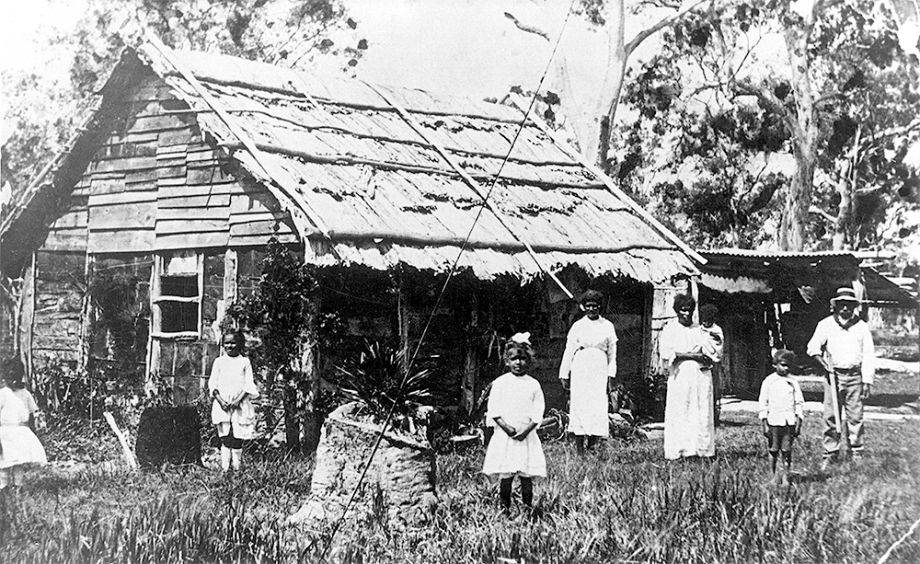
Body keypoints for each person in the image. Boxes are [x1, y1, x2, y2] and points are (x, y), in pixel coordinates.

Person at [807, 287, 875, 467]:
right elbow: (812, 347)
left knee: (855, 415)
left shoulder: (861, 327)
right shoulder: (826, 324)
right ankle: (830, 452)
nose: (845, 309)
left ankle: (856, 451)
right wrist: (823, 364)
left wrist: (867, 381)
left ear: (854, 307)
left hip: (855, 377)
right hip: (833, 376)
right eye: (842, 305)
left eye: (849, 305)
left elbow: (869, 355)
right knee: (831, 415)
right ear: (836, 306)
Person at [482, 334, 546, 514]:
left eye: (522, 358)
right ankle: (505, 509)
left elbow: (538, 410)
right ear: (507, 361)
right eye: (514, 359)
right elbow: (493, 409)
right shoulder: (501, 383)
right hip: (506, 436)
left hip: (526, 436)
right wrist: (506, 428)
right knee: (506, 475)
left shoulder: (533, 385)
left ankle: (527, 509)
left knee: (526, 475)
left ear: (529, 360)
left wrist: (527, 430)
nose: (518, 362)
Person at [558, 290, 618, 454]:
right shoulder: (578, 326)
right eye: (589, 306)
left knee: (597, 405)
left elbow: (612, 354)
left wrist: (611, 375)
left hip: (599, 367)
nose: (592, 309)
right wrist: (564, 372)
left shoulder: (607, 326)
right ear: (584, 307)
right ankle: (579, 449)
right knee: (580, 404)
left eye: (595, 306)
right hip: (581, 368)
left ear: (600, 307)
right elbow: (569, 350)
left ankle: (592, 445)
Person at [661, 293, 719, 460]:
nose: (686, 314)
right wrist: (692, 355)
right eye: (682, 310)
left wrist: (687, 355)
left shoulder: (700, 330)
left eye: (689, 310)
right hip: (680, 375)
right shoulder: (670, 329)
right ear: (677, 311)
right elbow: (668, 353)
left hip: (700, 376)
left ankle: (701, 450)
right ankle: (679, 450)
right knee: (680, 410)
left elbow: (710, 355)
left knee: (701, 411)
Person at [209, 331, 259, 472]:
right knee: (225, 436)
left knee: (237, 437)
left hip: (239, 405)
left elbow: (249, 384)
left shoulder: (244, 362)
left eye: (233, 343)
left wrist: (238, 400)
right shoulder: (219, 362)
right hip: (222, 405)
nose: (230, 346)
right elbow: (213, 383)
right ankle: (225, 469)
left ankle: (237, 468)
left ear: (240, 345)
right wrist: (220, 400)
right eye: (227, 343)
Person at [758, 349, 804, 485]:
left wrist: (798, 421)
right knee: (773, 450)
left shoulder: (793, 382)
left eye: (788, 365)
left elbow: (799, 402)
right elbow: (763, 402)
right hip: (774, 421)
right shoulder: (769, 381)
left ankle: (785, 477)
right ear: (775, 365)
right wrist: (764, 423)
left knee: (786, 450)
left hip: (788, 422)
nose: (786, 368)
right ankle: (772, 477)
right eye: (783, 365)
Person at [0, 357, 47, 489]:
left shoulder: (25, 394)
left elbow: (34, 410)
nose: (13, 382)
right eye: (10, 378)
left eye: (16, 378)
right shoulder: (3, 394)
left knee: (18, 461)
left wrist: (38, 419)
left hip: (21, 432)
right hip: (5, 432)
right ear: (4, 378)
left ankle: (18, 487)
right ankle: (3, 487)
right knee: (4, 462)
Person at [699, 304, 725, 425]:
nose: (706, 323)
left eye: (709, 320)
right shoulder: (698, 330)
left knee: (713, 390)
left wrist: (712, 356)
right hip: (699, 363)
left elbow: (719, 346)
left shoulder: (717, 330)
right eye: (704, 320)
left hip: (712, 363)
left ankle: (714, 417)